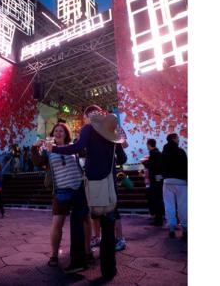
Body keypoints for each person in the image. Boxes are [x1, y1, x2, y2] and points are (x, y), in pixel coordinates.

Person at [48, 105, 127, 281]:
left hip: (92, 182)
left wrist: (54, 149)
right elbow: (123, 159)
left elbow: (78, 147)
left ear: (87, 116)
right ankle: (109, 269)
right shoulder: (111, 130)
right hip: (110, 184)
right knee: (108, 225)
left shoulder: (88, 128)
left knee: (78, 218)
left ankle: (78, 261)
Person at [32, 122, 92, 273]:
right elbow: (37, 162)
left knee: (85, 219)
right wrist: (34, 148)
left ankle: (87, 251)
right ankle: (54, 255)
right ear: (53, 134)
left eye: (61, 131)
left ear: (66, 134)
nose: (58, 133)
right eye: (56, 131)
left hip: (78, 188)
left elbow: (88, 155)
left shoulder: (74, 147)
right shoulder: (48, 150)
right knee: (57, 222)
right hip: (60, 191)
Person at [161, 133, 188, 239]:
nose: (178, 139)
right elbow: (186, 166)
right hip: (181, 182)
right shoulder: (180, 151)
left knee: (169, 206)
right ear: (173, 139)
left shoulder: (164, 152)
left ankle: (171, 228)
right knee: (183, 206)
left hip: (167, 181)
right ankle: (185, 229)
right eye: (177, 138)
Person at [142, 139, 165, 226]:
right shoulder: (158, 153)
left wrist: (144, 163)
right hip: (159, 178)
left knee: (156, 199)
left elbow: (151, 166)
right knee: (158, 198)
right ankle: (158, 218)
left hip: (155, 179)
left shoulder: (153, 154)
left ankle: (158, 219)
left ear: (148, 145)